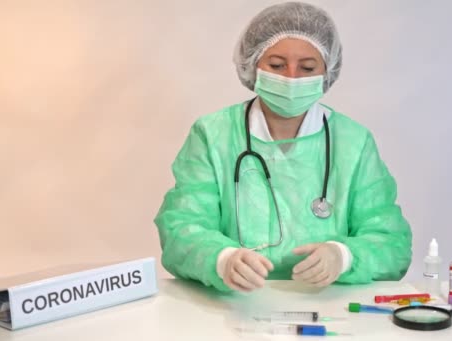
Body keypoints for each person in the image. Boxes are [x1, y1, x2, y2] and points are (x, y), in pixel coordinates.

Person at [155, 2, 412, 292]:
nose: (291, 77)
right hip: (235, 306)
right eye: (277, 65)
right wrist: (221, 259)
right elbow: (182, 226)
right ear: (253, 65)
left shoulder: (353, 142)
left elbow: (392, 242)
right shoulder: (213, 135)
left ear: (327, 70)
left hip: (327, 307)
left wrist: (344, 256)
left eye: (307, 67)